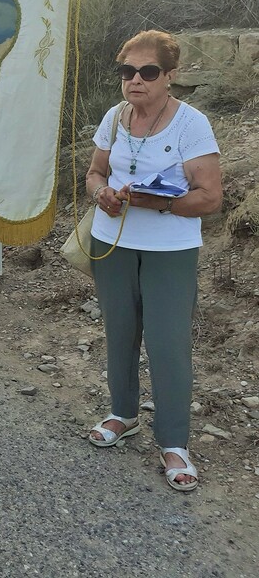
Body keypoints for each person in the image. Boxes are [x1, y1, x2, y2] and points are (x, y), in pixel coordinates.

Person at [85, 30, 222, 492]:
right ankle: (123, 414)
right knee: (120, 333)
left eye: (147, 72)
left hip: (170, 251)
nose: (135, 81)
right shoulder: (114, 116)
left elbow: (210, 197)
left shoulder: (191, 124)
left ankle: (175, 443)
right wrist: (101, 193)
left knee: (167, 343)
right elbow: (95, 172)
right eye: (127, 71)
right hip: (113, 243)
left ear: (169, 76)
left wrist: (156, 203)